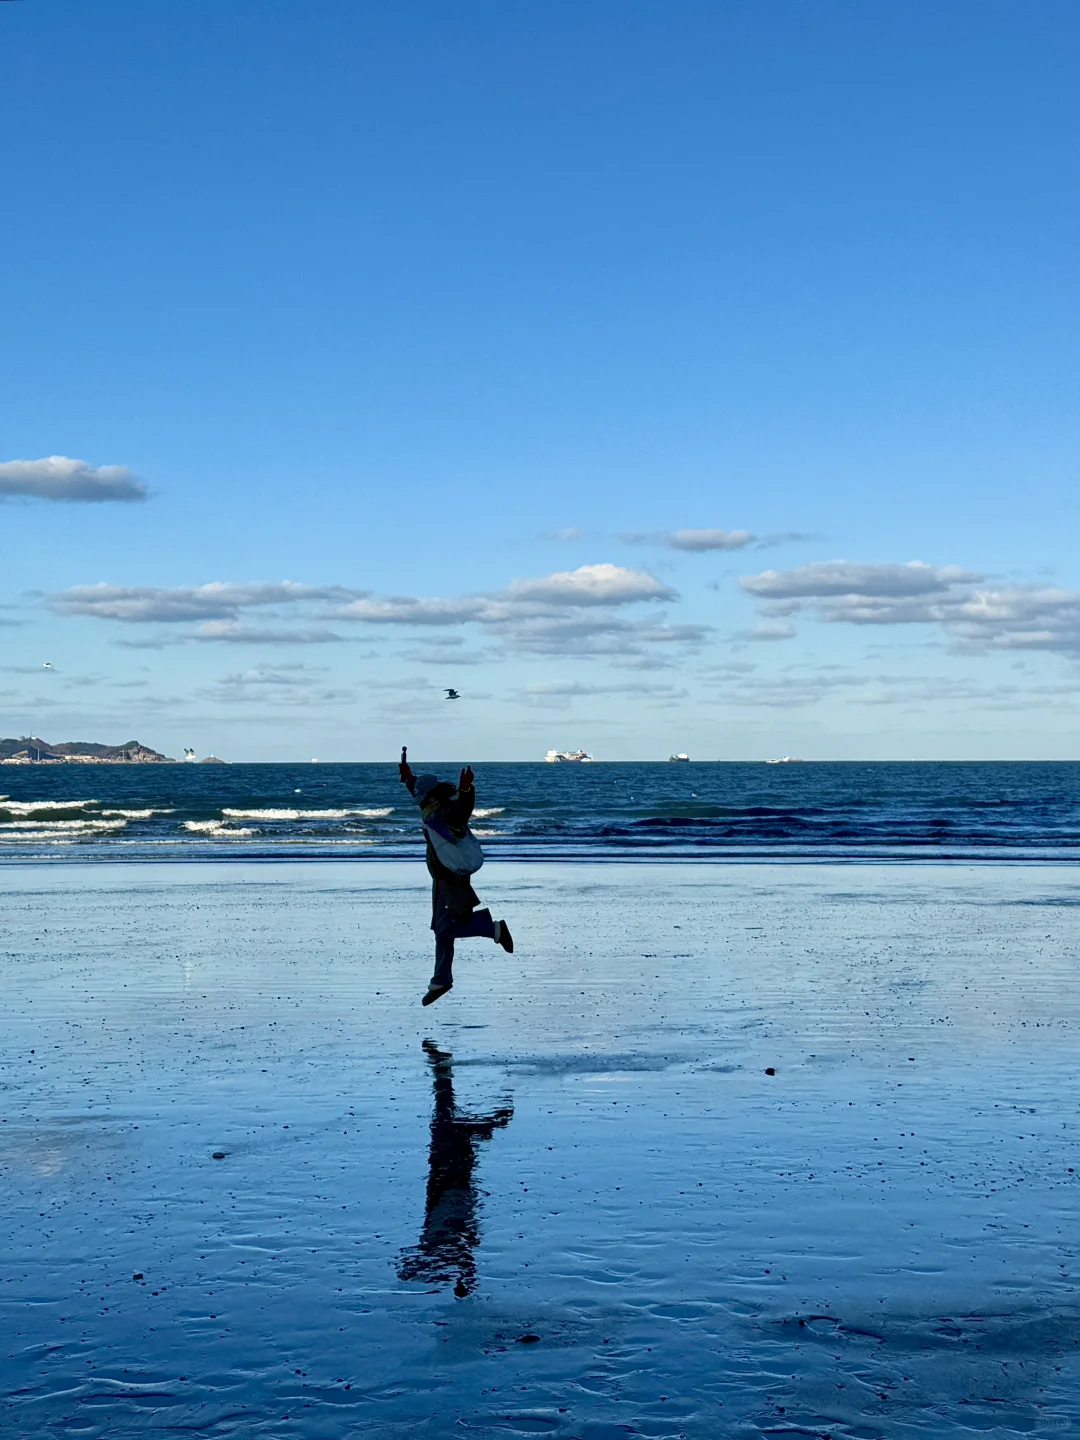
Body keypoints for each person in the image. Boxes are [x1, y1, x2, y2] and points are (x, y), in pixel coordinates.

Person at [399, 751, 514, 1005]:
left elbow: (463, 810)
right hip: (441, 875)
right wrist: (408, 777)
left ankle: (493, 929)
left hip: (450, 877)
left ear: (433, 794)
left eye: (422, 796)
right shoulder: (430, 805)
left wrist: (466, 789)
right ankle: (441, 981)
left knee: (443, 927)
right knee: (442, 929)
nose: (420, 801)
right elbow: (419, 791)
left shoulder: (447, 810)